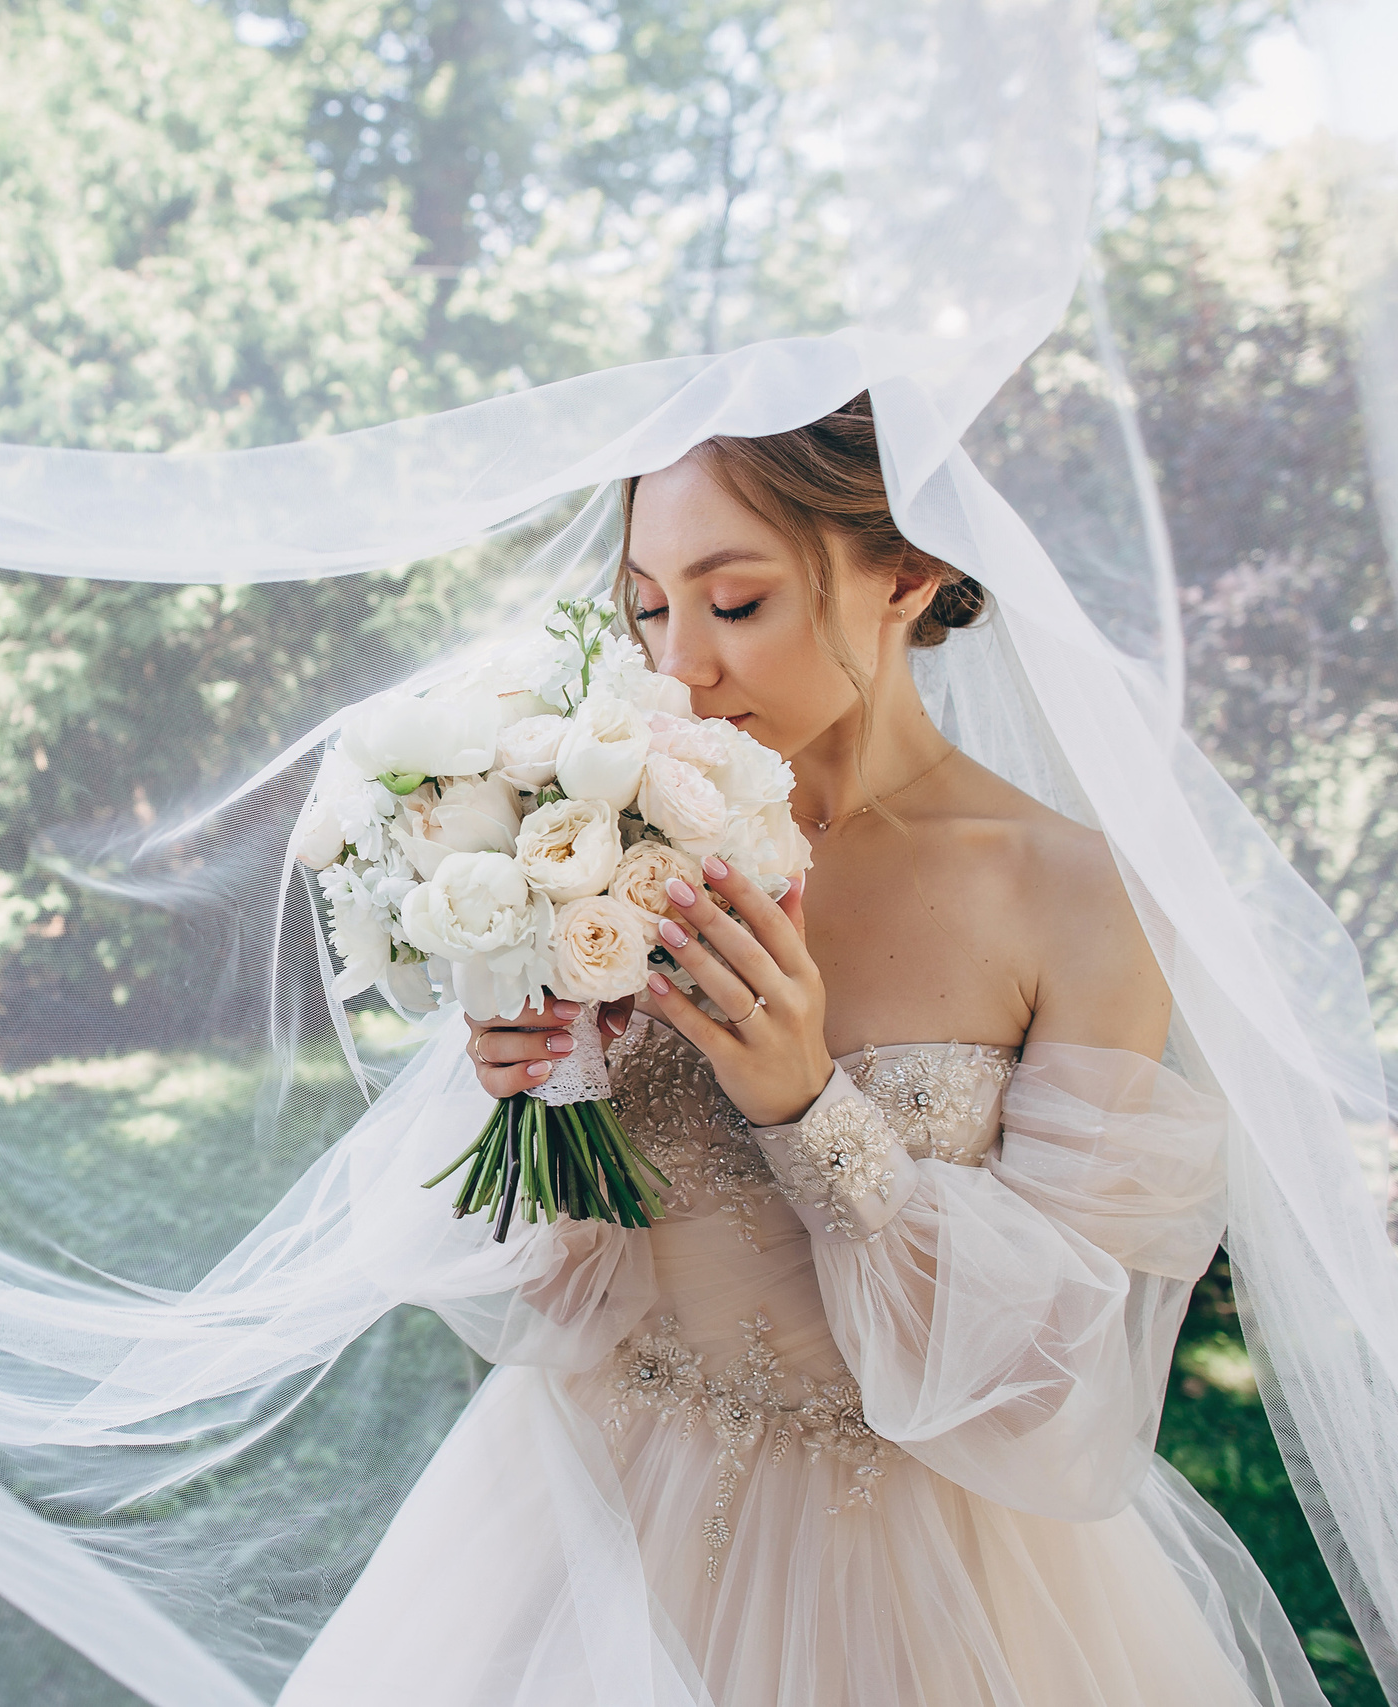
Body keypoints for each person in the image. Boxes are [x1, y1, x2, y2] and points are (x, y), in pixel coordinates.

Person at [280, 396, 1286, 1705]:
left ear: (908, 577)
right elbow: (553, 1303)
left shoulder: (1076, 899)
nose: (678, 668)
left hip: (927, 1588)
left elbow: (1055, 1388)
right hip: (588, 1531)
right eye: (647, 606)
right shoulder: (614, 840)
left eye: (735, 603)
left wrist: (807, 1106)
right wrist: (545, 1089)